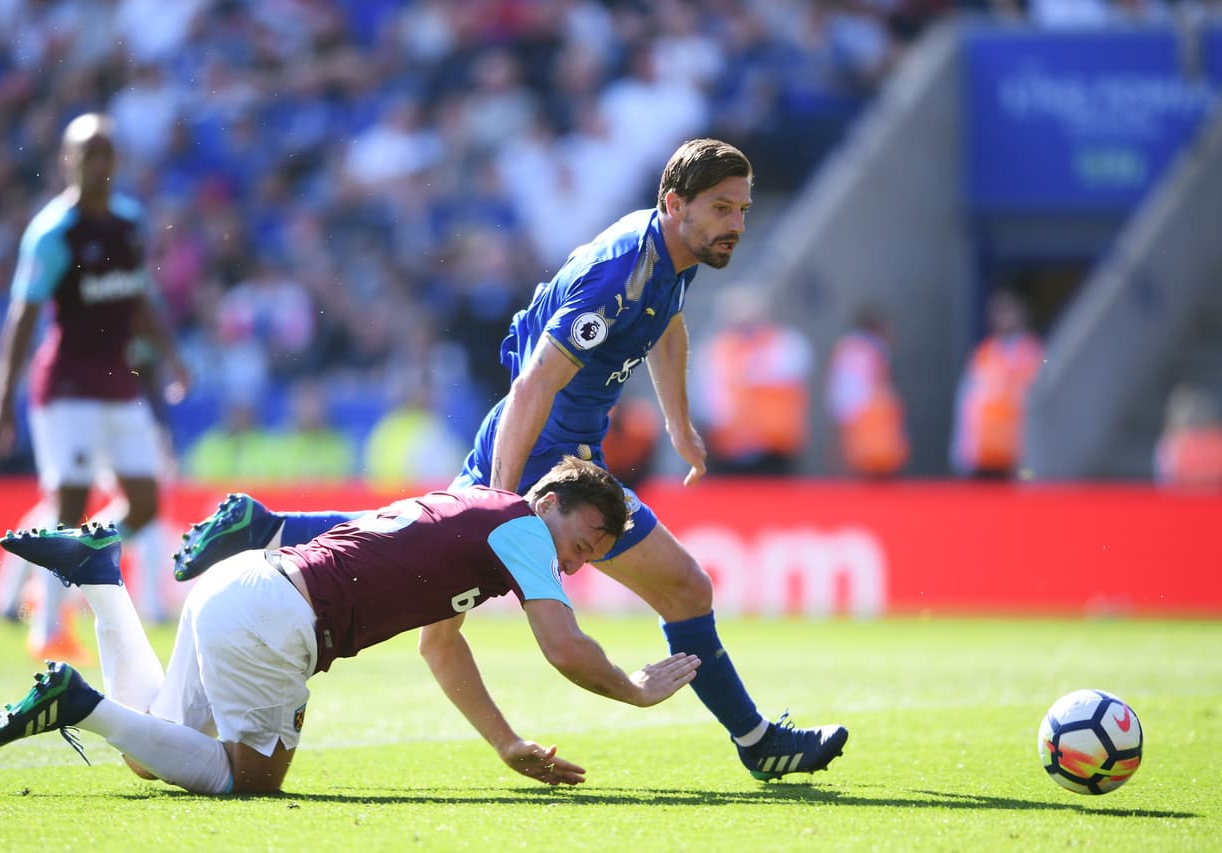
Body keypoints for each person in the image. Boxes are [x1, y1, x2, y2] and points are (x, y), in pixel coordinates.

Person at [173, 139, 848, 779]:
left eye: (743, 210)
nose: (736, 224)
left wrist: (679, 425)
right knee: (687, 588)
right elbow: (532, 384)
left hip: (533, 447)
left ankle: (273, 527)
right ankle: (758, 742)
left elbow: (669, 328)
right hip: (544, 458)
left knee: (419, 579)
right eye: (723, 209)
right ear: (676, 203)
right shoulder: (620, 274)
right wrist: (498, 502)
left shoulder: (675, 257)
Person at [0, 457, 701, 794]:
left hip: (243, 585)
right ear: (552, 501)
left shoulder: (476, 510)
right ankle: (79, 704)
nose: (581, 561)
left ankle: (103, 583)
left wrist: (506, 741)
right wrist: (633, 690)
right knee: (249, 778)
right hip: (277, 619)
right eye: (592, 537)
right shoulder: (525, 531)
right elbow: (565, 645)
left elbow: (438, 645)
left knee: (150, 754)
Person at [0, 112, 190, 650]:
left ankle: (64, 563)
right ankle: (48, 625)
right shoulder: (53, 233)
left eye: (105, 153)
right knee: (70, 500)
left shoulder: (129, 224)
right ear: (67, 161)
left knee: (144, 504)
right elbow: (23, 317)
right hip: (67, 386)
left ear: (115, 162)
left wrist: (172, 357)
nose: (97, 163)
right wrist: (2, 398)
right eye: (87, 152)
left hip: (118, 382)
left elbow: (140, 297)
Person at [698, 284, 812, 476]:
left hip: (774, 447)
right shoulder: (717, 350)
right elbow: (707, 399)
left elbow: (788, 374)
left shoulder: (784, 344)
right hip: (729, 449)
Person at [949, 289, 1043, 479]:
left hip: (1018, 457)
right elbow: (968, 403)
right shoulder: (984, 353)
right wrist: (962, 447)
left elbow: (1039, 405)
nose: (1002, 317)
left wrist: (1035, 457)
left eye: (1008, 311)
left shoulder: (1032, 353)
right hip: (984, 454)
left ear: (1021, 313)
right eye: (998, 312)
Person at [825, 305, 908, 478]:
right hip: (871, 445)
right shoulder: (863, 353)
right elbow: (845, 400)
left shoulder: (860, 352)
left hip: (873, 444)